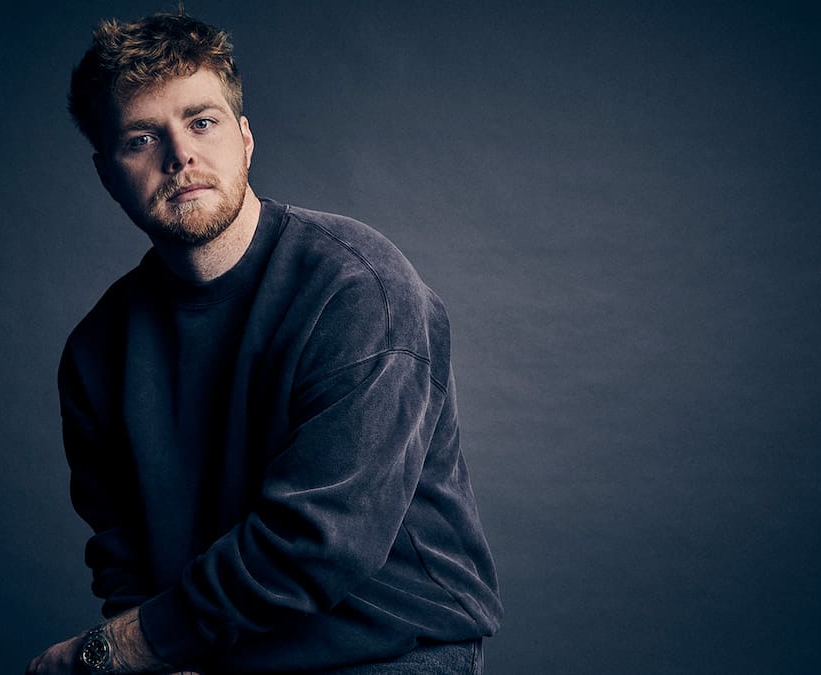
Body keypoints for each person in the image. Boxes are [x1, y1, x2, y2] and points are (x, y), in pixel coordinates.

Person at [26, 12, 503, 675]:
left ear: (245, 140)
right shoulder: (96, 353)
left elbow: (316, 545)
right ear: (107, 174)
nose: (179, 156)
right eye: (142, 138)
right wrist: (152, 656)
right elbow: (122, 555)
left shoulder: (358, 290)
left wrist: (112, 652)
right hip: (212, 654)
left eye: (202, 122)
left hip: (387, 652)